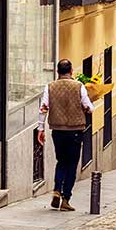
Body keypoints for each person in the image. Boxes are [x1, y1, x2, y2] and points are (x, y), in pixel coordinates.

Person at [40, 59, 93, 210]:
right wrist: (88, 108)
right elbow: (88, 107)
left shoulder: (50, 87)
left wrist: (40, 128)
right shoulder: (79, 86)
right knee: (72, 164)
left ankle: (57, 190)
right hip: (75, 131)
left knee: (61, 161)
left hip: (57, 131)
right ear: (71, 72)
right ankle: (66, 199)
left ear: (57, 72)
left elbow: (43, 108)